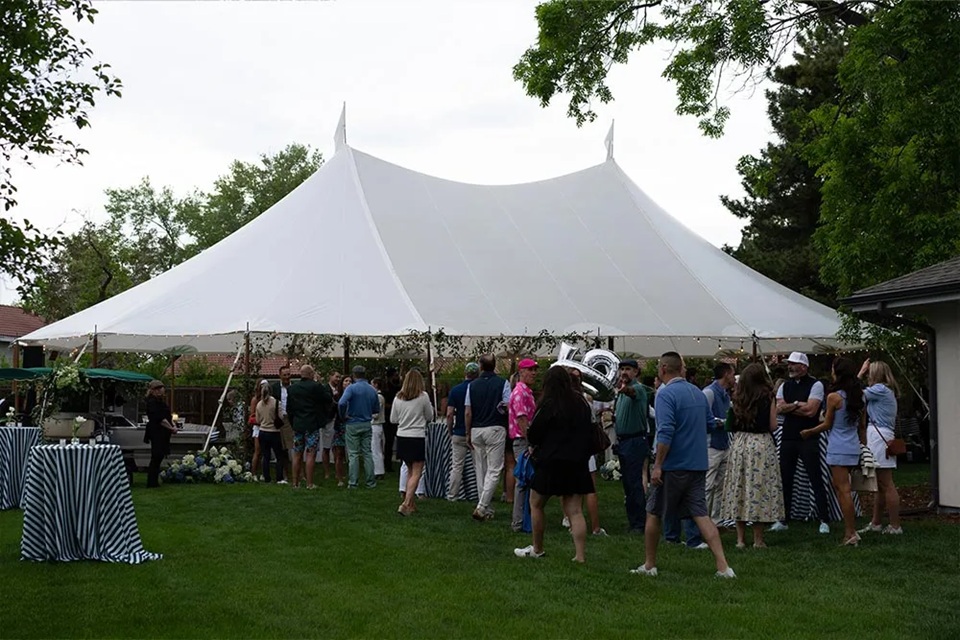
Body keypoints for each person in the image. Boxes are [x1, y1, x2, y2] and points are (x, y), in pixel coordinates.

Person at [630, 352, 735, 578]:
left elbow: (665, 430)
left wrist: (658, 465)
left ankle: (649, 565)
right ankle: (723, 566)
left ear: (665, 368)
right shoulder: (697, 392)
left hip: (673, 464)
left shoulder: (665, 394)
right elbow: (709, 424)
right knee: (700, 513)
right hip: (697, 462)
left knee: (653, 512)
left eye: (659, 366)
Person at [514, 366, 594, 562]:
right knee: (575, 510)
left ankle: (538, 548)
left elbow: (534, 434)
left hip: (550, 463)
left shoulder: (548, 405)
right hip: (576, 462)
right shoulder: (582, 404)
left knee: (537, 504)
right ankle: (580, 555)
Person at [801, 357, 866, 546]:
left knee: (843, 490)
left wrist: (809, 432)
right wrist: (864, 446)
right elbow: (862, 425)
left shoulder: (834, 397)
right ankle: (851, 530)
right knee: (843, 488)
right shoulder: (860, 395)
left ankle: (850, 533)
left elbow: (827, 424)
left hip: (838, 446)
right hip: (853, 445)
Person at [718, 364, 784, 548]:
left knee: (739, 486)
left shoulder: (738, 396)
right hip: (761, 444)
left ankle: (740, 539)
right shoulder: (767, 396)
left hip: (740, 443)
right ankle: (758, 539)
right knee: (758, 489)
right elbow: (773, 425)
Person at [774, 351, 831, 534]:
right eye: (789, 364)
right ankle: (783, 519)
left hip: (808, 436)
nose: (790, 367)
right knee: (785, 478)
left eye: (793, 364)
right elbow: (779, 409)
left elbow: (811, 411)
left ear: (804, 367)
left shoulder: (816, 385)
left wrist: (790, 407)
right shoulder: (785, 386)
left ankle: (824, 518)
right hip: (789, 437)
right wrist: (799, 404)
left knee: (815, 477)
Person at [858, 360, 903, 535]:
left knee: (886, 483)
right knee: (880, 484)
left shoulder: (879, 390)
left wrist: (859, 374)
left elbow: (853, 395)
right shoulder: (886, 391)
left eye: (870, 372)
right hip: (882, 436)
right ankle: (876, 522)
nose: (868, 375)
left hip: (879, 438)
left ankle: (895, 525)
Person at [465, 354, 511, 521]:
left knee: (481, 469)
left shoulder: (472, 385)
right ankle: (483, 506)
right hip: (495, 428)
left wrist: (468, 432)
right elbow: (507, 406)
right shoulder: (503, 383)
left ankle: (485, 506)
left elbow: (468, 411)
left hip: (477, 428)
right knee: (494, 469)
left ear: (481, 366)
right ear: (495, 365)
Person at [567, 367, 607, 537]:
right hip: (584, 449)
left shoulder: (561, 401)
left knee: (571, 491)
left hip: (568, 450)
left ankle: (572, 523)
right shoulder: (585, 402)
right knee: (589, 489)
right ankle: (595, 527)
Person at [613, 358, 650, 534]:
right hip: (625, 441)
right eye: (622, 369)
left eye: (628, 369)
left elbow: (631, 392)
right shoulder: (620, 393)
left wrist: (622, 389)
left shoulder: (638, 389)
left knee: (634, 484)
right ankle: (633, 520)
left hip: (635, 441)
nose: (624, 372)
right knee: (628, 484)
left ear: (636, 372)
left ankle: (640, 523)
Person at [391, 369, 435, 516]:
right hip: (416, 436)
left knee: (410, 470)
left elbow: (393, 419)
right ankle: (406, 503)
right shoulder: (423, 397)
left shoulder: (398, 398)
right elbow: (429, 415)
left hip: (402, 436)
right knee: (417, 472)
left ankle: (410, 504)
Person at [286, 365, 333, 489]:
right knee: (310, 453)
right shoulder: (316, 386)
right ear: (311, 374)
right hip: (312, 424)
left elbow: (289, 408)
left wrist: (293, 422)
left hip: (298, 424)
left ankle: (295, 483)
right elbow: (328, 398)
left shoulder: (292, 388)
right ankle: (309, 483)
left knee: (297, 453)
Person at [338, 365, 381, 489]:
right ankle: (370, 482)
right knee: (367, 453)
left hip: (352, 423)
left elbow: (341, 402)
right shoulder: (372, 389)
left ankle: (353, 482)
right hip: (366, 423)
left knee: (353, 454)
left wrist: (343, 415)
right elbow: (376, 408)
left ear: (353, 375)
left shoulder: (351, 388)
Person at [702, 363, 735, 522]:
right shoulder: (709, 392)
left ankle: (716, 520)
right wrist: (720, 422)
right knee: (708, 485)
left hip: (724, 443)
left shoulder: (726, 394)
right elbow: (701, 418)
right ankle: (703, 520)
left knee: (721, 485)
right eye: (733, 373)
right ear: (727, 374)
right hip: (710, 444)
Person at [509, 358, 538, 532]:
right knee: (523, 481)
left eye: (535, 370)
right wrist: (530, 442)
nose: (534, 373)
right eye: (530, 370)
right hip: (522, 441)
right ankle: (518, 522)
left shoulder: (527, 391)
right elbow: (521, 419)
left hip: (523, 440)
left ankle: (525, 520)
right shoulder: (520, 392)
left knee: (526, 481)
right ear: (521, 372)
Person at [446, 363, 479, 501]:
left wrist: (450, 431)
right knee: (479, 466)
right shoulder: (478, 389)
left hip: (458, 432)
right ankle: (480, 494)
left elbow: (449, 413)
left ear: (465, 373)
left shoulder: (456, 390)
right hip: (475, 431)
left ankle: (452, 494)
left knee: (457, 466)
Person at [144, 380, 178, 488]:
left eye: (161, 388)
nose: (159, 391)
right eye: (156, 389)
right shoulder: (151, 402)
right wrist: (171, 428)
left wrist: (173, 425)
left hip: (164, 432)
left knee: (159, 455)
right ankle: (152, 482)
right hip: (156, 431)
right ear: (152, 391)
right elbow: (160, 419)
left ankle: (154, 481)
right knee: (156, 455)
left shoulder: (161, 402)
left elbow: (168, 416)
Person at [255, 379, 287, 483]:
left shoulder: (259, 404)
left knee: (266, 456)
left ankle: (266, 477)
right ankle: (279, 477)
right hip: (274, 431)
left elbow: (257, 420)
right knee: (279, 456)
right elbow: (281, 416)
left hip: (263, 432)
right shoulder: (276, 403)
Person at [270, 366, 294, 485]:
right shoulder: (275, 388)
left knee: (293, 447)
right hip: (279, 420)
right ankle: (285, 473)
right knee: (281, 448)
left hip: (290, 419)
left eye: (288, 374)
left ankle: (298, 474)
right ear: (280, 375)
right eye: (284, 375)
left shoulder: (294, 387)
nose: (286, 377)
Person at [321, 370, 342, 481]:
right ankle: (327, 472)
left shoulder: (340, 389)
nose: (338, 379)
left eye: (339, 377)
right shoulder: (325, 389)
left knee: (337, 448)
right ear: (330, 376)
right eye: (336, 377)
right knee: (326, 447)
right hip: (328, 420)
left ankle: (338, 471)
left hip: (338, 421)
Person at [382, 367, 402, 473]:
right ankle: (387, 463)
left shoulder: (399, 387)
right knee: (389, 442)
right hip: (388, 417)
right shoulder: (386, 388)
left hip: (399, 417)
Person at [370, 378, 387, 480]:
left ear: (376, 385)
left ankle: (379, 471)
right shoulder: (377, 397)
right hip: (375, 425)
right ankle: (376, 469)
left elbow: (376, 414)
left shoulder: (378, 397)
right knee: (375, 448)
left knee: (376, 449)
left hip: (376, 424)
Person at [246, 386, 263, 480]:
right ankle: (254, 473)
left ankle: (262, 473)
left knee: (264, 452)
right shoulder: (255, 400)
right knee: (257, 451)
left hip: (266, 427)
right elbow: (252, 415)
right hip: (258, 426)